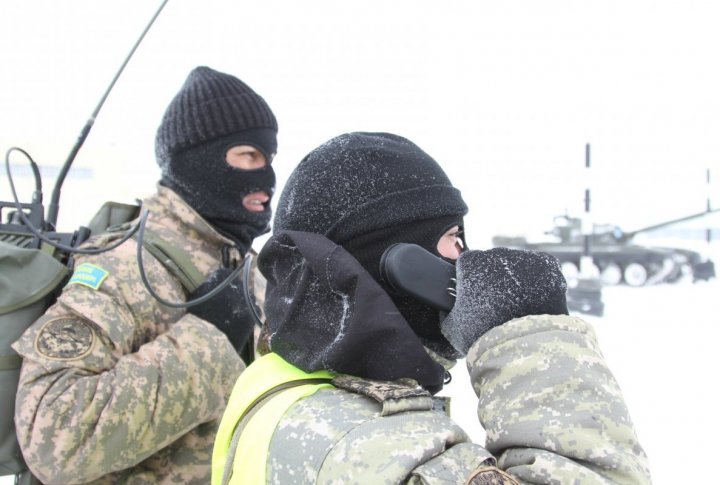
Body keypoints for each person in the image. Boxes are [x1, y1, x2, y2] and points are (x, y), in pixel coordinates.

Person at [212, 132, 652, 484]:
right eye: (454, 238)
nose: (465, 259)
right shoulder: (370, 446)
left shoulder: (286, 380)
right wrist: (527, 337)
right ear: (399, 262)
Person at [11, 65, 278, 484]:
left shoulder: (251, 269)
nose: (267, 176)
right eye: (248, 155)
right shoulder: (123, 263)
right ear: (198, 160)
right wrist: (210, 340)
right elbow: (55, 440)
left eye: (269, 157)